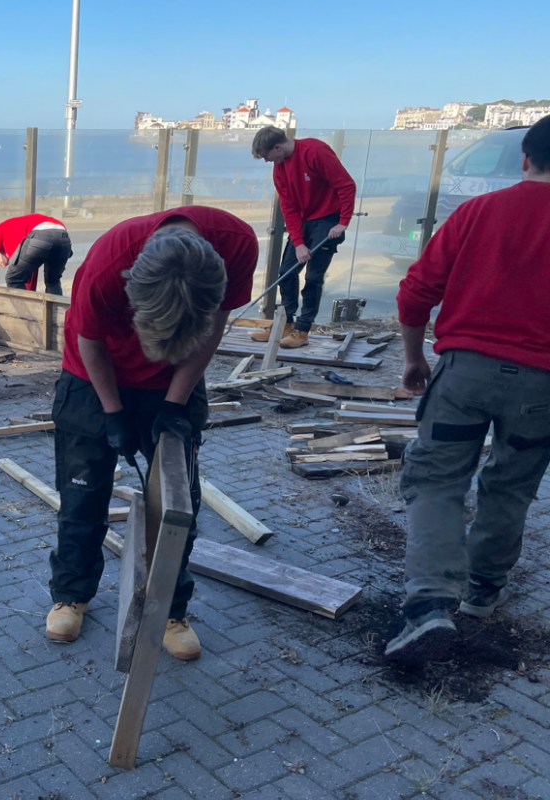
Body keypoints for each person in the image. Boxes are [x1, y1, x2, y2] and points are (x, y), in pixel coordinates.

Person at [47, 206, 257, 660]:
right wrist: (113, 413)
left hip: (173, 378)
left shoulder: (238, 244)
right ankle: (71, 594)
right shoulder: (108, 262)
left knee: (178, 505)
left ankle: (170, 610)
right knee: (82, 493)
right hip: (92, 376)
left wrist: (174, 402)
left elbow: (213, 330)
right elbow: (89, 341)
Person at [384, 117, 550, 663]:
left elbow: (415, 292)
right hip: (541, 386)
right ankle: (482, 591)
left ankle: (430, 604)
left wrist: (414, 357)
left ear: (524, 157)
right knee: (511, 487)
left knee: (435, 480)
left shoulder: (477, 211)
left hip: (464, 373)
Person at [250, 127, 356, 348]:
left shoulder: (315, 151)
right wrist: (298, 243)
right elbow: (288, 208)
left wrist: (343, 222)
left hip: (328, 220)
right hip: (304, 220)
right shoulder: (280, 168)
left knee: (313, 277)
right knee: (286, 273)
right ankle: (285, 323)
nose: (268, 161)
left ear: (278, 147)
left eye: (268, 156)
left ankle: (302, 330)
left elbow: (346, 185)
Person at [0, 214, 73, 298]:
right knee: (53, 281)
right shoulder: (16, 230)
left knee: (13, 278)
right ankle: (56, 314)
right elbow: (28, 274)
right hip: (63, 236)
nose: (3, 265)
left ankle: (26, 314)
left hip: (40, 234)